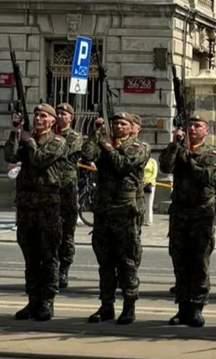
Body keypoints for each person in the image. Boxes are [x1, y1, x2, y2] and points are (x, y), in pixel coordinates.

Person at [84, 112, 150, 325]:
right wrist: (95, 134)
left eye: (123, 123)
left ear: (132, 127)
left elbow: (122, 164)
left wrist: (107, 146)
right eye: (114, 123)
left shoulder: (139, 146)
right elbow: (87, 154)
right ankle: (106, 305)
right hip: (104, 210)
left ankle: (129, 305)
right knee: (105, 261)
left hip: (126, 210)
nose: (118, 127)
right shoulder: (105, 143)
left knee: (127, 260)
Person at [5, 104, 67, 322]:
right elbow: (10, 155)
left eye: (43, 116)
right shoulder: (26, 139)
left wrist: (28, 139)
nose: (38, 119)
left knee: (48, 257)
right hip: (26, 207)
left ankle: (47, 301)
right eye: (36, 115)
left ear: (52, 121)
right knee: (30, 258)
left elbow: (41, 160)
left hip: (47, 207)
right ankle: (32, 300)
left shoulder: (58, 141)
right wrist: (15, 132)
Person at [160, 113, 216, 327]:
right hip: (179, 214)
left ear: (206, 130)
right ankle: (182, 306)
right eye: (190, 126)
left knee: (199, 262)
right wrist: (174, 145)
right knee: (180, 261)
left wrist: (189, 162)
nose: (192, 129)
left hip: (201, 214)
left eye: (198, 126)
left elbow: (208, 178)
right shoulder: (179, 149)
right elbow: (165, 168)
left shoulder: (212, 154)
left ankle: (197, 307)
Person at [53, 103, 84, 290]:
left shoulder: (74, 137)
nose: (59, 115)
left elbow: (60, 153)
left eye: (63, 113)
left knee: (66, 234)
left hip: (66, 190)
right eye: (57, 113)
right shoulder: (48, 134)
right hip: (49, 189)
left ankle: (63, 269)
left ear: (70, 117)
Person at [142, 155, 158, 226]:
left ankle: (148, 220)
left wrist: (147, 181)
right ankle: (141, 219)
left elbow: (154, 174)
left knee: (149, 203)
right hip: (141, 183)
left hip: (150, 184)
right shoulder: (141, 160)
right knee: (141, 203)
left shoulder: (153, 161)